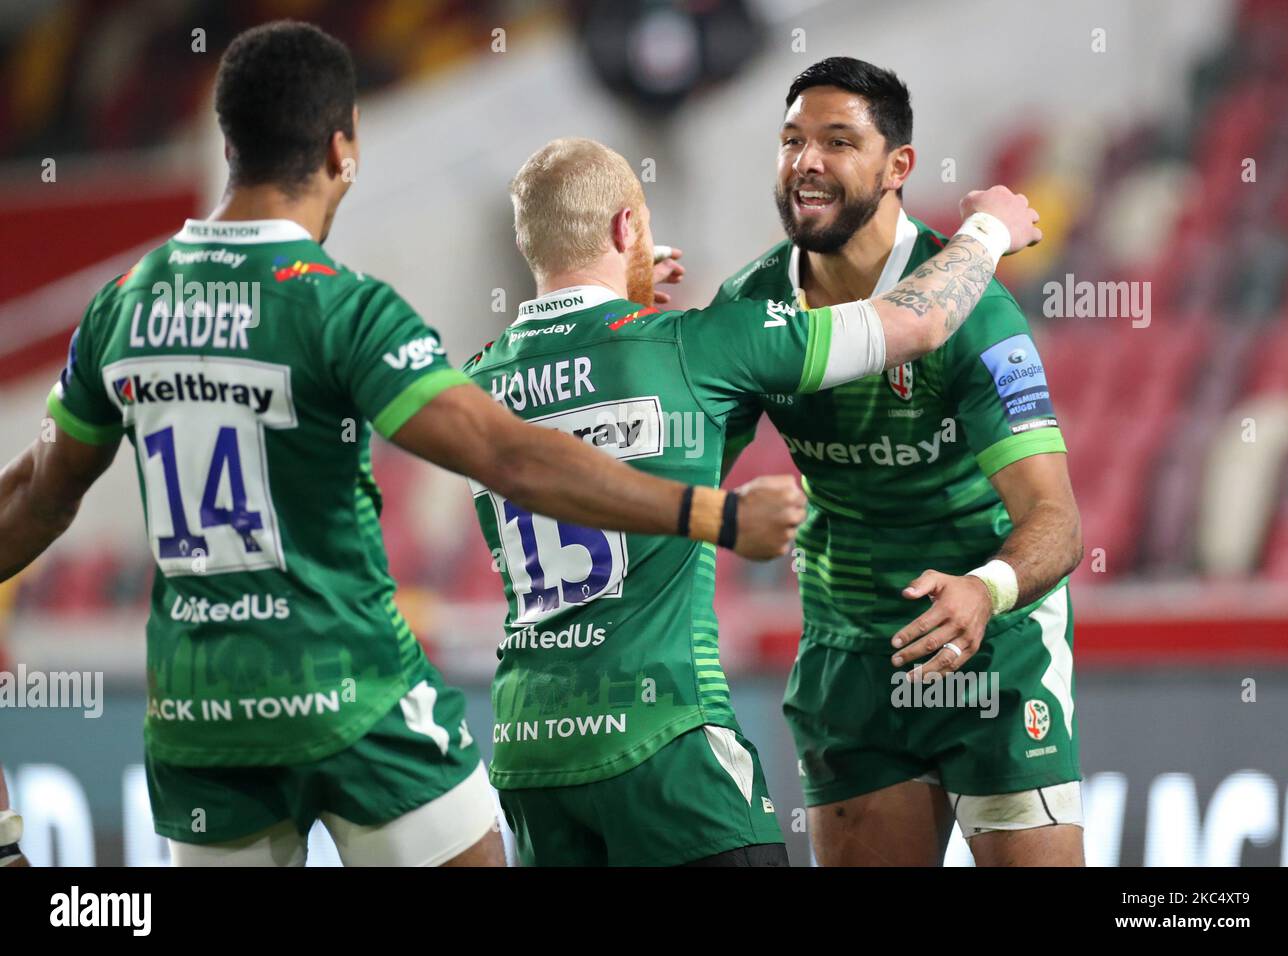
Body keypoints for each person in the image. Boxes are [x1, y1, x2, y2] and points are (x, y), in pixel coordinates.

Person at [0, 21, 805, 868]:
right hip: (353, 699)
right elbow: (509, 455)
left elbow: (38, 493)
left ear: (227, 142)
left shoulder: (124, 303)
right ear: (344, 147)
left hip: (202, 718)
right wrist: (708, 510)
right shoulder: (337, 306)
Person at [462, 136, 1042, 866]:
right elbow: (917, 321)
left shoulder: (470, 384)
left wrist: (626, 297)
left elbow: (589, 398)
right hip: (666, 742)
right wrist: (988, 231)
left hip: (527, 755)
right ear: (624, 230)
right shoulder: (693, 344)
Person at [714, 57, 1085, 866]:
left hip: (994, 646)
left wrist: (986, 591)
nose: (805, 161)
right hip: (849, 656)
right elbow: (680, 461)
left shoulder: (976, 311)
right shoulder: (750, 306)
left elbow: (1057, 522)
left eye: (837, 141)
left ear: (897, 168)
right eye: (791, 140)